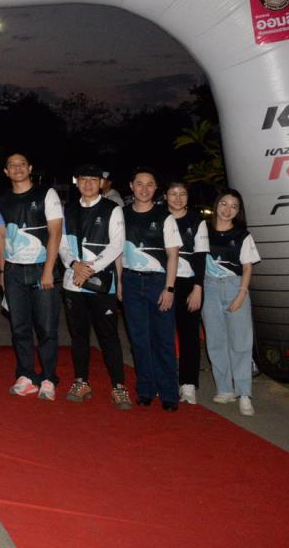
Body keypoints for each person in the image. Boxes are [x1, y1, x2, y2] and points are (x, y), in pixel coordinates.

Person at [58, 164, 132, 409]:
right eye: (83, 179)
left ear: (101, 183)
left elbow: (117, 245)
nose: (88, 184)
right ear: (76, 181)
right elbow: (61, 244)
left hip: (102, 285)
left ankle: (119, 386)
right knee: (79, 336)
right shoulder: (68, 210)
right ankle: (81, 382)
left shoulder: (113, 209)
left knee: (109, 336)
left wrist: (89, 269)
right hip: (73, 283)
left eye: (93, 179)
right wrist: (74, 265)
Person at [0, 153, 64, 400]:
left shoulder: (47, 194)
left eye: (22, 164)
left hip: (42, 269)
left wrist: (48, 271)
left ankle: (48, 377)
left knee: (46, 328)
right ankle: (25, 375)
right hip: (13, 271)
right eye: (12, 165)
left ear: (30, 168)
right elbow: (1, 236)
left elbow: (55, 233)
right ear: (6, 171)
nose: (17, 168)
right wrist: (2, 271)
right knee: (19, 327)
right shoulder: (1, 199)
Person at [120, 168, 182, 410]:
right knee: (139, 340)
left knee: (163, 339)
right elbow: (118, 251)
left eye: (150, 184)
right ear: (131, 186)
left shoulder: (165, 217)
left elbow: (173, 255)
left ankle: (169, 393)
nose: (144, 189)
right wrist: (120, 282)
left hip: (158, 283)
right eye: (139, 183)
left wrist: (170, 288)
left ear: (156, 189)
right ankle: (146, 388)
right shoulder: (122, 215)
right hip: (131, 282)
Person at [201, 188, 261, 417]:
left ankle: (244, 393)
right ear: (217, 205)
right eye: (224, 204)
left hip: (235, 286)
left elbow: (247, 267)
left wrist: (241, 294)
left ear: (238, 211)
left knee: (241, 342)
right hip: (209, 287)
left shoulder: (243, 235)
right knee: (216, 341)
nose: (228, 210)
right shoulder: (203, 231)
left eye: (234, 206)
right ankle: (225, 389)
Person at [166, 180, 209, 405]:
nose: (178, 198)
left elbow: (201, 257)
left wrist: (198, 287)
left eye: (182, 193)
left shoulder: (196, 221)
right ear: (165, 196)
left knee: (189, 336)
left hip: (189, 285)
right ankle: (164, 381)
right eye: (173, 193)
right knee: (162, 334)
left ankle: (188, 384)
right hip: (163, 283)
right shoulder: (159, 217)